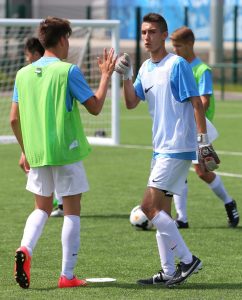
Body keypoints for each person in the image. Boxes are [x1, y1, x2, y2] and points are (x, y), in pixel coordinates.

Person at [10, 16, 117, 289]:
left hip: (37, 153)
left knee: (41, 208)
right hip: (65, 152)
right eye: (69, 38)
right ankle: (67, 276)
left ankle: (25, 248)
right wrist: (105, 76)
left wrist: (25, 151)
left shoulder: (22, 74)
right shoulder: (67, 71)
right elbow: (94, 107)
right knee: (71, 212)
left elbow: (13, 119)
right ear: (63, 39)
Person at [115, 12, 220, 287]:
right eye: (143, 33)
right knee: (162, 211)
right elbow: (130, 103)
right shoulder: (145, 69)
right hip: (160, 148)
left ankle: (187, 261)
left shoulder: (177, 65)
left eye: (152, 32)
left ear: (164, 35)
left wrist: (202, 141)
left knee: (149, 208)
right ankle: (168, 271)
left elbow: (197, 103)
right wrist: (126, 76)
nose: (146, 37)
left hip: (177, 147)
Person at [170, 26, 239, 229]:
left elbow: (204, 101)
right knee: (178, 170)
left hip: (199, 126)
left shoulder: (202, 70)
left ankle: (228, 201)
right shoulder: (177, 65)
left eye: (178, 46)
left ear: (190, 44)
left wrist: (195, 127)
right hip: (181, 126)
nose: (175, 50)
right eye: (173, 46)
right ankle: (181, 218)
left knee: (201, 171)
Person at [19, 37, 64, 217]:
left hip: (44, 138)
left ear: (37, 54)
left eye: (28, 55)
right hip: (47, 138)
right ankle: (58, 203)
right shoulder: (32, 74)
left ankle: (55, 203)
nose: (27, 59)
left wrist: (26, 150)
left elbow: (14, 118)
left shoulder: (32, 76)